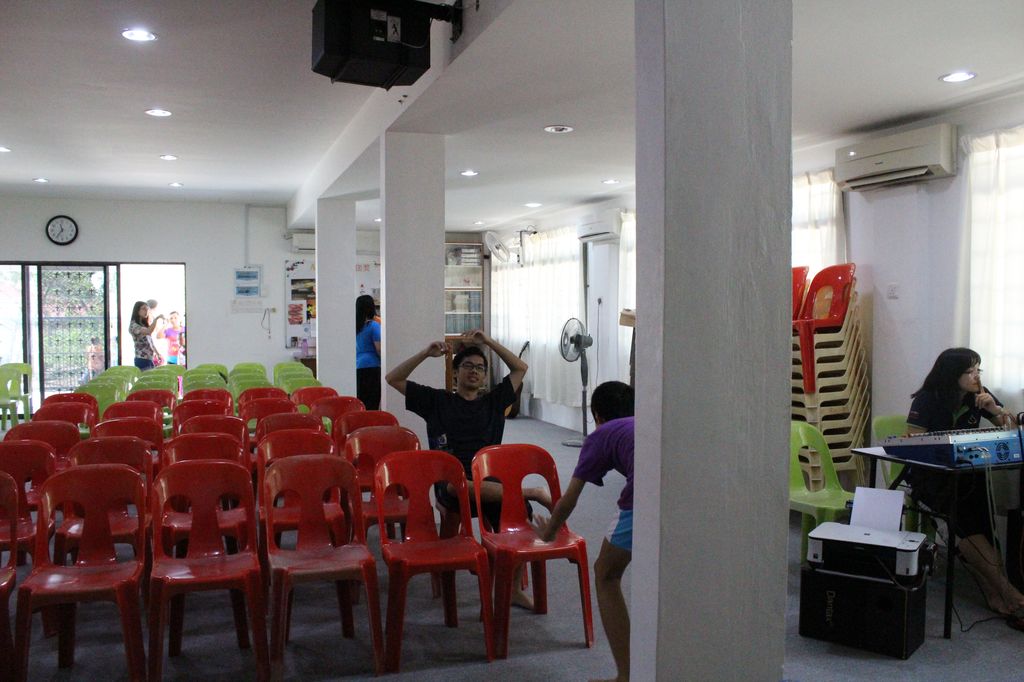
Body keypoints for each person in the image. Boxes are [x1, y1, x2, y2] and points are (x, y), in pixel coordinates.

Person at [386, 329, 547, 606]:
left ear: (484, 377)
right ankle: (531, 491)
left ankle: (511, 589)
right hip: (451, 485)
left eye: (480, 368)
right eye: (468, 366)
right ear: (456, 372)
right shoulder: (437, 401)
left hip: (490, 484)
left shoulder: (493, 402)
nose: (474, 371)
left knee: (518, 514)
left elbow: (520, 368)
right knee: (456, 484)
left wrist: (489, 342)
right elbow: (393, 378)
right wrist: (425, 353)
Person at [905, 347, 1024, 628]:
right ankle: (1009, 593)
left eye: (978, 370)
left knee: (981, 522)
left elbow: (1011, 432)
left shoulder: (979, 396)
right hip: (932, 478)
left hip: (967, 475)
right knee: (968, 523)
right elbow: (913, 445)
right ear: (952, 375)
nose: (976, 377)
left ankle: (996, 594)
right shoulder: (928, 399)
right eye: (970, 371)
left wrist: (994, 410)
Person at [532, 381, 634, 682]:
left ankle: (626, 676)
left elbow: (569, 499)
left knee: (606, 574)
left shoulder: (601, 434)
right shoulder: (645, 422)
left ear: (597, 415)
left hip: (644, 498)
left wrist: (549, 532)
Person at [355, 295, 382, 409]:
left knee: (361, 401)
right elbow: (379, 349)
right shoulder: (374, 326)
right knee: (372, 402)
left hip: (358, 365)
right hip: (372, 366)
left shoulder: (355, 327)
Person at [128, 300, 163, 370]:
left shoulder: (143, 325)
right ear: (137, 310)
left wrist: (158, 353)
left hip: (149, 358)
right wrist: (156, 319)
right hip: (141, 359)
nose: (146, 311)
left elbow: (150, 342)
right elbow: (148, 331)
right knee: (146, 376)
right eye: (143, 309)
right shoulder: (134, 325)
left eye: (147, 309)